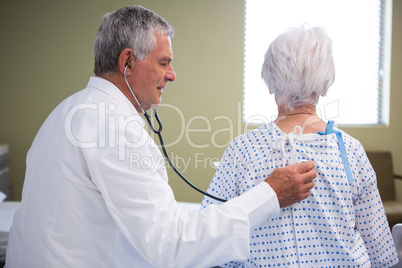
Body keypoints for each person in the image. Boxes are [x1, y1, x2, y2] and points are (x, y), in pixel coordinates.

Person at [5, 6, 317, 268]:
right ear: (127, 62)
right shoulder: (113, 128)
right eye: (164, 62)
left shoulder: (66, 111)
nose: (172, 74)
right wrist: (270, 194)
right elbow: (170, 243)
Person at [201, 25, 398, 267]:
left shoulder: (242, 149)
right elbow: (380, 250)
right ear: (325, 84)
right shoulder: (350, 150)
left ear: (269, 83)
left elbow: (211, 237)